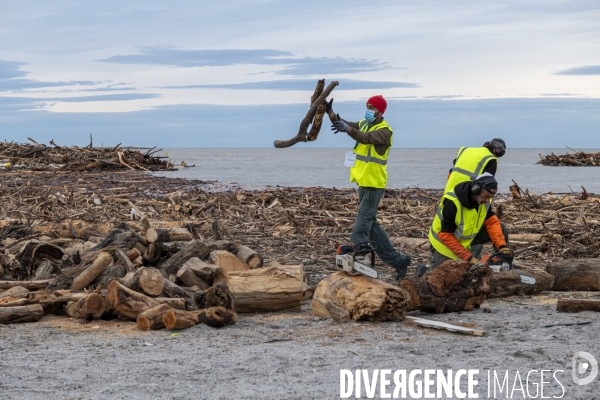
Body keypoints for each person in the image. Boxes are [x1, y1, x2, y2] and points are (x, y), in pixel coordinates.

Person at [324, 95, 411, 279]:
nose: (368, 109)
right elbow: (345, 124)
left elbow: (365, 138)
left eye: (371, 107)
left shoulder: (385, 131)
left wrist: (347, 129)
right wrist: (330, 113)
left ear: (380, 111)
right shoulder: (364, 123)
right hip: (363, 181)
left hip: (374, 183)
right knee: (371, 224)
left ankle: (357, 253)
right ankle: (398, 261)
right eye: (367, 106)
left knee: (363, 221)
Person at [415, 173, 512, 277]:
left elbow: (492, 222)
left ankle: (503, 264)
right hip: (444, 242)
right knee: (439, 276)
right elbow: (445, 235)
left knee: (501, 228)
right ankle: (422, 271)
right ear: (476, 189)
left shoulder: (484, 201)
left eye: (491, 197)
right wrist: (468, 258)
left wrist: (501, 245)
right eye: (486, 196)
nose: (488, 200)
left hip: (468, 237)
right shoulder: (452, 202)